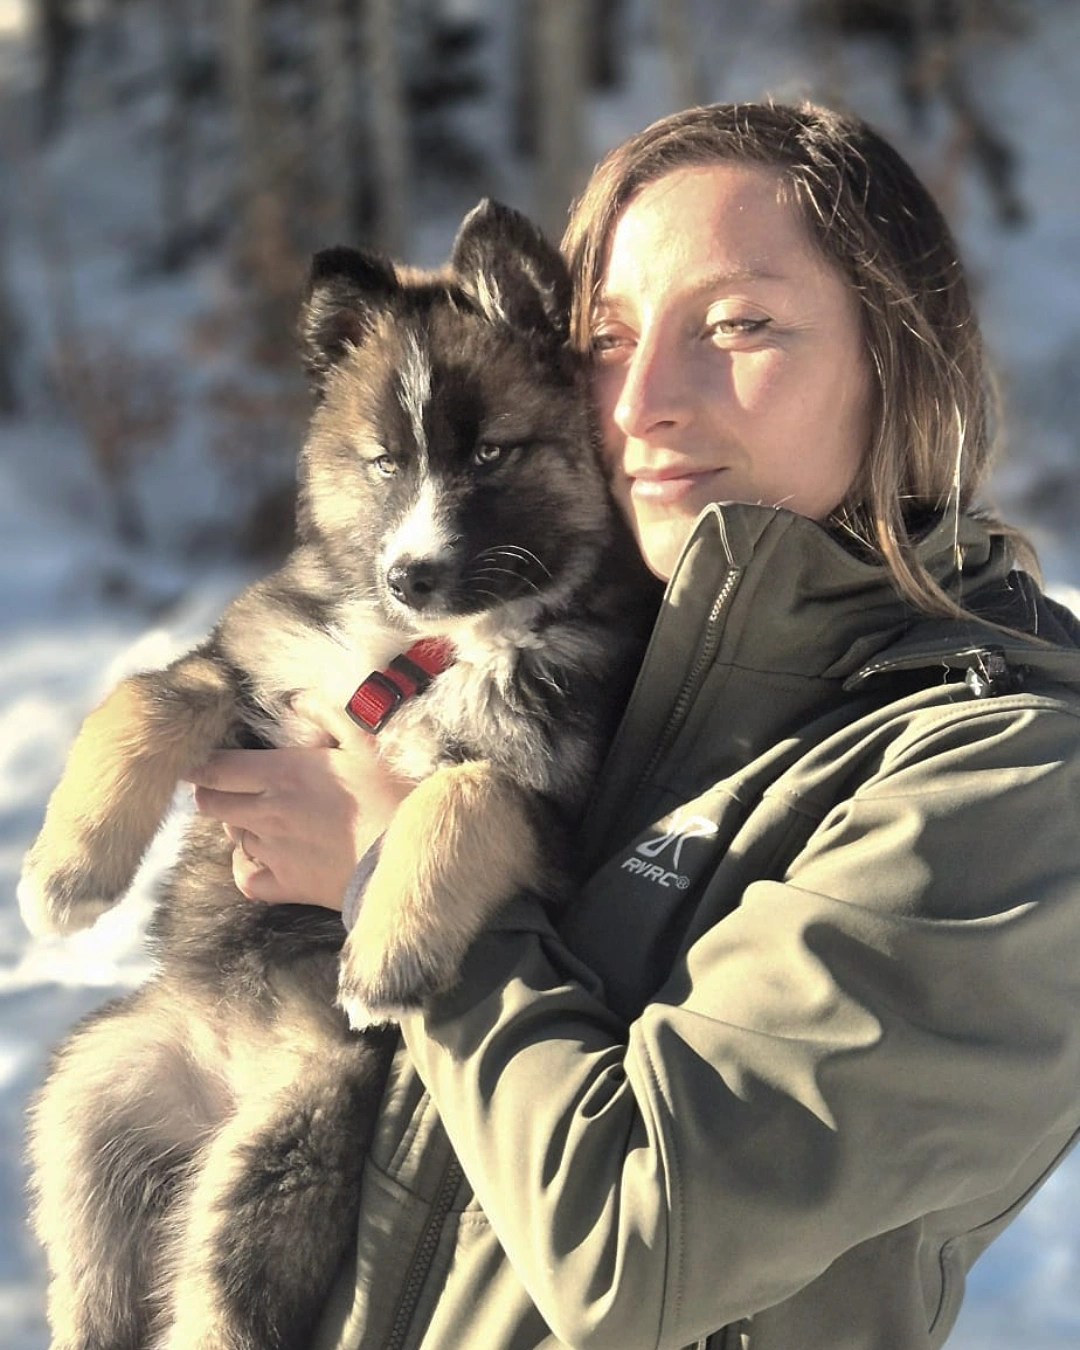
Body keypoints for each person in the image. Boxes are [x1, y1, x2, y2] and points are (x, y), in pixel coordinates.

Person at [188, 102, 1080, 1349]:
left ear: (902, 357)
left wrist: (398, 872)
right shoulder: (628, 659)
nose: (642, 401)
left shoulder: (1006, 775)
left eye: (740, 325)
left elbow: (636, 1253)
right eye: (607, 339)